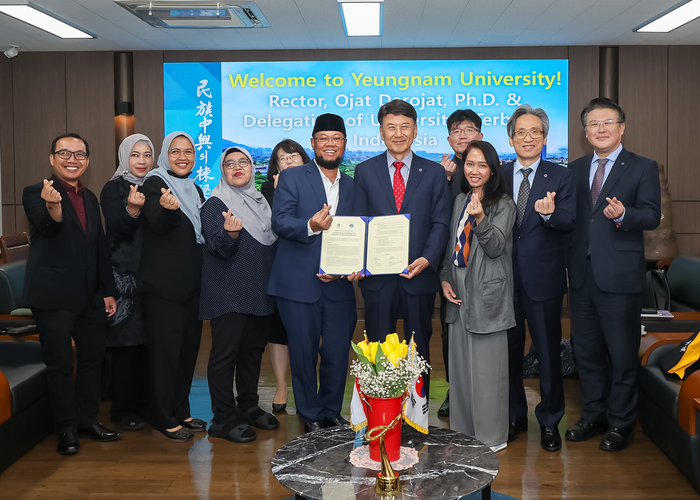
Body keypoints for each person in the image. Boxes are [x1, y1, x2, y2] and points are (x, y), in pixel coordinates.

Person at [565, 98, 661, 452]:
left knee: (621, 354)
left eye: (608, 122)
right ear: (585, 131)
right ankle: (593, 415)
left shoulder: (643, 167)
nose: (600, 129)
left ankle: (622, 423)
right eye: (593, 124)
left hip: (619, 275)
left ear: (621, 127)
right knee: (586, 352)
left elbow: (651, 215)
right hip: (581, 275)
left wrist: (624, 215)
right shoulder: (573, 169)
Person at [23, 132, 121, 455]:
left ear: (88, 161)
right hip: (52, 297)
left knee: (93, 358)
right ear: (52, 159)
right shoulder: (36, 192)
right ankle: (66, 430)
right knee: (61, 363)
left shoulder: (90, 198)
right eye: (64, 154)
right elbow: (49, 227)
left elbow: (99, 248)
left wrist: (108, 290)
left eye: (79, 155)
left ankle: (87, 420)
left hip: (90, 296)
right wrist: (53, 207)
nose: (72, 160)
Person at [353, 99, 450, 398]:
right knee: (378, 351)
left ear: (416, 130)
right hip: (378, 279)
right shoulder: (364, 171)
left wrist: (428, 257)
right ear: (381, 133)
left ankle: (416, 417)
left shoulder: (433, 172)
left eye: (404, 127)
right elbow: (359, 220)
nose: (398, 133)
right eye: (391, 127)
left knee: (418, 351)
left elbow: (440, 222)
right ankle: (379, 415)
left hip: (418, 277)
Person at [267, 114, 357, 433]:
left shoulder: (353, 184)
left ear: (344, 144)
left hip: (340, 286)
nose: (330, 144)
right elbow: (281, 221)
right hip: (297, 283)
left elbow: (359, 233)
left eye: (337, 138)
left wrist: (352, 268)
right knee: (303, 355)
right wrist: (311, 225)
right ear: (313, 143)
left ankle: (331, 411)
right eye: (324, 138)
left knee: (336, 353)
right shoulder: (292, 178)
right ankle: (310, 415)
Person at [501, 105, 576, 452]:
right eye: (521, 132)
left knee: (547, 354)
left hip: (543, 280)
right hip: (502, 281)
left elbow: (569, 221)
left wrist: (549, 215)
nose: (527, 138)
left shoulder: (560, 176)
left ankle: (549, 421)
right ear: (511, 138)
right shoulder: (497, 175)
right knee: (509, 354)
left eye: (535, 132)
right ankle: (515, 415)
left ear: (545, 138)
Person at [440, 140, 516, 452]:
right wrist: (445, 278)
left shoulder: (504, 203)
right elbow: (451, 245)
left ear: (493, 170)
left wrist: (481, 218)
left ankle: (491, 437)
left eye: (482, 165)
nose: (474, 170)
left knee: (487, 370)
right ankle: (463, 431)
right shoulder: (459, 199)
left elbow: (496, 246)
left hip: (486, 290)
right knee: (459, 367)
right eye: (470, 164)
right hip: (457, 287)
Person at [200, 146, 280, 443]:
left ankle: (248, 406)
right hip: (228, 293)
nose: (237, 167)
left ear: (252, 167)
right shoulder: (215, 203)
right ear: (222, 169)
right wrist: (231, 234)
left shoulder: (262, 203)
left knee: (252, 353)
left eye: (243, 162)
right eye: (230, 163)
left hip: (260, 291)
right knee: (225, 356)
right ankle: (222, 418)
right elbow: (217, 248)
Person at [138, 131, 206, 442]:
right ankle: (162, 416)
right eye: (176, 151)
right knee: (165, 354)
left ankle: (181, 408)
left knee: (187, 351)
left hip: (192, 286)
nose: (182, 157)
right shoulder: (154, 182)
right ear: (166, 154)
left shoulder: (194, 188)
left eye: (188, 152)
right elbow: (155, 223)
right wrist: (166, 209)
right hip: (165, 288)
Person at [100, 134, 155, 431]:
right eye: (136, 155)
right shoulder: (113, 188)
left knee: (149, 344)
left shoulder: (157, 186)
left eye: (147, 155)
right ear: (124, 157)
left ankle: (146, 404)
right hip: (123, 279)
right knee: (126, 345)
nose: (142, 161)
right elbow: (118, 229)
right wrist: (132, 210)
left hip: (152, 277)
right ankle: (123, 410)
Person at [437, 109, 483, 417]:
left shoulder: (494, 172)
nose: (462, 134)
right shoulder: (441, 172)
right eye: (456, 130)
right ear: (450, 139)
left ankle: (482, 393)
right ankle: (455, 390)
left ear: (480, 135)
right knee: (449, 331)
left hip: (485, 269)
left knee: (484, 330)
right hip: (450, 268)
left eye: (469, 129)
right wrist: (446, 178)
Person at [259, 139, 310, 412]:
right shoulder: (267, 189)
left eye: (294, 157)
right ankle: (280, 386)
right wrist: (280, 195)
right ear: (275, 165)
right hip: (278, 267)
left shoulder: (316, 185)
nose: (289, 162)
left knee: (307, 331)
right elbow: (271, 228)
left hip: (309, 267)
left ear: (304, 159)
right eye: (283, 158)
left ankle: (307, 388)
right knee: (278, 331)